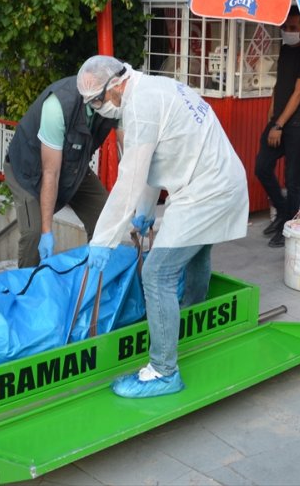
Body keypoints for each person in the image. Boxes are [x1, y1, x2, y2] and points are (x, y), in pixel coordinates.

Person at [78, 55, 248, 398]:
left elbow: (129, 178)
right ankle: (192, 321)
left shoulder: (139, 106)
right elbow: (156, 158)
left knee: (156, 274)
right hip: (220, 180)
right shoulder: (155, 88)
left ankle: (163, 370)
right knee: (196, 254)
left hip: (207, 191)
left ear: (114, 87)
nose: (98, 110)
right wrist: (145, 211)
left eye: (96, 102)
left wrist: (103, 240)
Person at [3, 75, 118, 268]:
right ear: (96, 95)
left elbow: (130, 152)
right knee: (34, 234)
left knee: (104, 219)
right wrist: (47, 231)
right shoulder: (58, 106)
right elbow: (51, 172)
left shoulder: (116, 101)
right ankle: (27, 290)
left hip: (73, 165)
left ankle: (94, 282)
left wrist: (139, 204)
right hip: (31, 170)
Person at [254, 5, 300, 247]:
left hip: (295, 123)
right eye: (285, 27)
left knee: (293, 178)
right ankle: (282, 212)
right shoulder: (285, 49)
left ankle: (289, 227)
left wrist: (279, 124)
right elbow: (280, 83)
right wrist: (272, 110)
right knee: (262, 167)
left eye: (293, 28)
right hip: (278, 120)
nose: (287, 31)